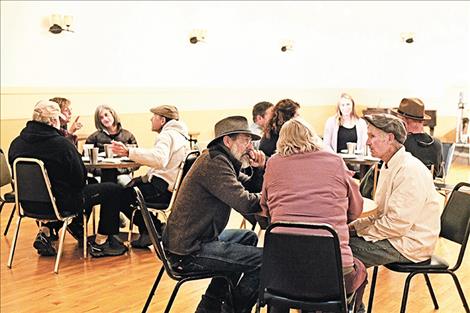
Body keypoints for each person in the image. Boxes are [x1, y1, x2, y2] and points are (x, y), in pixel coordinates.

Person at [260, 117, 367, 313]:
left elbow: (265, 207)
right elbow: (356, 209)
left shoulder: (273, 163)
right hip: (331, 275)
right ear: (312, 137)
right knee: (359, 271)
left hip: (282, 272)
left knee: (283, 278)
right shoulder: (335, 161)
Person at [163, 116, 265, 313]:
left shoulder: (220, 159)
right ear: (228, 141)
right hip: (189, 250)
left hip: (190, 239)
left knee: (248, 237)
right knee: (265, 261)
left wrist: (258, 169)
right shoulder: (215, 164)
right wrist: (272, 197)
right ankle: (232, 309)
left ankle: (209, 307)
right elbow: (244, 202)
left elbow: (248, 186)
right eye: (245, 140)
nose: (250, 146)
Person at [8, 100, 128, 258]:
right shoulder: (61, 145)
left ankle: (51, 229)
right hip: (61, 204)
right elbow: (80, 179)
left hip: (27, 204)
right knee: (112, 189)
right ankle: (102, 242)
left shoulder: (16, 144)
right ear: (53, 121)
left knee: (87, 187)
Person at [349, 113, 441, 269]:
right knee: (335, 243)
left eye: (372, 136)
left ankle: (340, 293)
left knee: (338, 252)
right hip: (397, 236)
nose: (367, 142)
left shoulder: (409, 171)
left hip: (410, 244)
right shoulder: (389, 165)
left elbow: (396, 225)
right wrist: (353, 227)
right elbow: (381, 215)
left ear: (390, 138)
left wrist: (359, 232)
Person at [112, 105, 190, 248]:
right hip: (169, 190)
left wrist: (129, 152)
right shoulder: (181, 136)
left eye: (153, 116)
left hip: (161, 190)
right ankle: (152, 230)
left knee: (118, 196)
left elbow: (159, 159)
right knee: (129, 189)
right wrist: (140, 179)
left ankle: (154, 229)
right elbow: (163, 166)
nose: (150, 119)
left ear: (162, 120)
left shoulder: (167, 135)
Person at [86, 104, 138, 185]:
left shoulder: (128, 135)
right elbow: (86, 162)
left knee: (125, 183)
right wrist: (101, 171)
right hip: (100, 175)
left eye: (106, 115)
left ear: (112, 114)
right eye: (101, 118)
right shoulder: (93, 138)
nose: (105, 119)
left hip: (123, 174)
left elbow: (136, 160)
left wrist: (121, 170)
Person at [393, 97, 443, 178]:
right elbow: (439, 174)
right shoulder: (437, 144)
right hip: (429, 189)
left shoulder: (400, 144)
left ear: (403, 121)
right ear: (422, 120)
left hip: (403, 189)